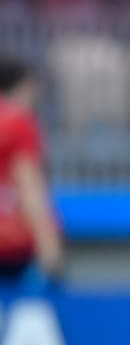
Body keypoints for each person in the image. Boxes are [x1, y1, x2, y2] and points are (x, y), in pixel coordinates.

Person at [0, 57, 64, 288]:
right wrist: (48, 244)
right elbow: (28, 186)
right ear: (23, 86)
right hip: (13, 246)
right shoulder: (18, 122)